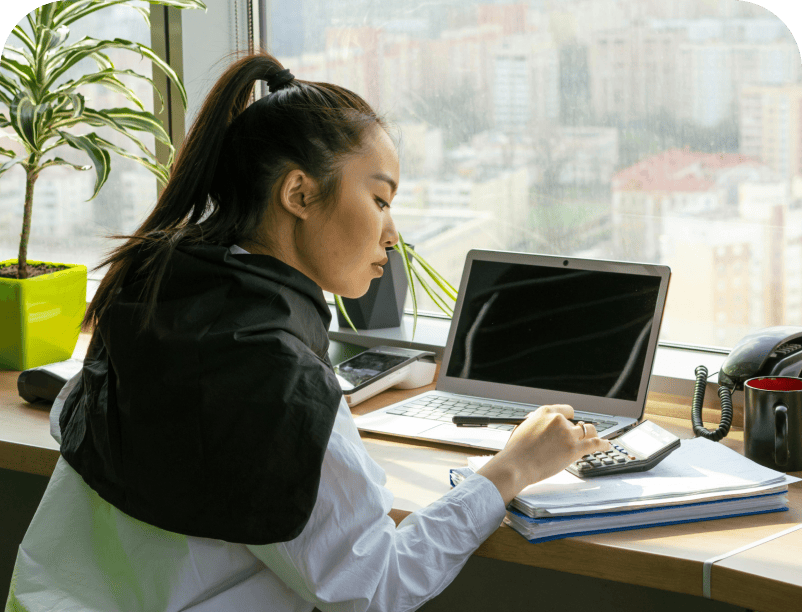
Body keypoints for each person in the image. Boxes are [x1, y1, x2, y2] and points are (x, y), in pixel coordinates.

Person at [5, 52, 610, 612]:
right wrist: (511, 469)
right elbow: (379, 588)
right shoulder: (276, 382)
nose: (391, 234)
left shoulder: (152, 293)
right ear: (298, 192)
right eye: (379, 200)